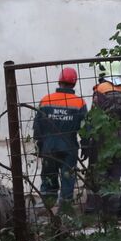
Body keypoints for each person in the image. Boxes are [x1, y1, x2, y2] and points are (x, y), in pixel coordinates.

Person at [33, 66, 87, 216]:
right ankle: (65, 212)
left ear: (59, 81)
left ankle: (46, 209)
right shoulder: (79, 103)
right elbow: (85, 128)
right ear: (74, 83)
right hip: (69, 147)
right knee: (68, 178)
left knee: (48, 177)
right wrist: (86, 145)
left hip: (48, 146)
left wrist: (39, 143)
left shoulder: (46, 100)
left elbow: (37, 126)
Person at [85, 62, 121, 216]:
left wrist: (87, 139)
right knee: (115, 172)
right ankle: (112, 209)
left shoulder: (100, 89)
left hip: (103, 134)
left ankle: (94, 209)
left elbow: (93, 116)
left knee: (97, 171)